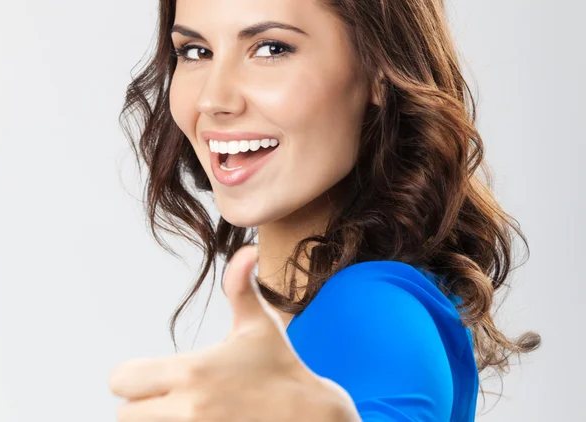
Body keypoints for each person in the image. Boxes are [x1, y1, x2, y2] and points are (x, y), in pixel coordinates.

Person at [117, 0, 541, 420]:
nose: (213, 99)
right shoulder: (346, 311)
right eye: (196, 52)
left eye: (271, 48)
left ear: (379, 70)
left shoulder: (371, 307)